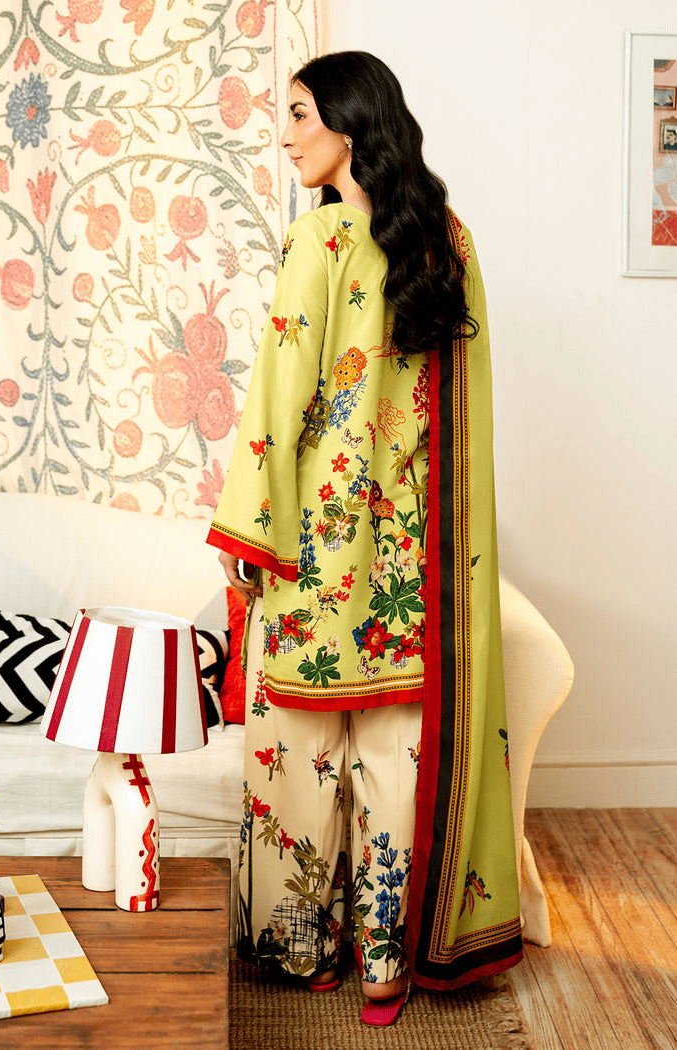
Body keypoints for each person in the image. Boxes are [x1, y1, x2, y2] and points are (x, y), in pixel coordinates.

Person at [206, 50, 522, 1026]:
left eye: (300, 114)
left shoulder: (320, 244)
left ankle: (304, 955)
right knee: (394, 769)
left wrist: (245, 532)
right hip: (407, 577)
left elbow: (277, 402)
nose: (286, 133)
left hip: (313, 557)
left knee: (301, 764)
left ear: (347, 121)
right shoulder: (445, 243)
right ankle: (386, 968)